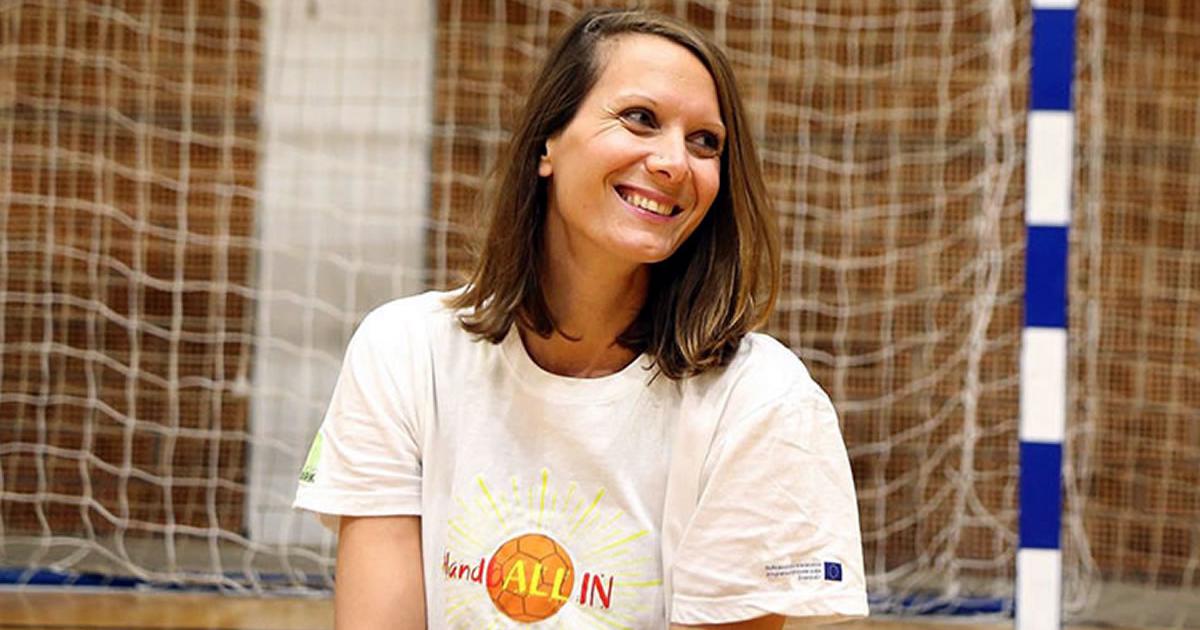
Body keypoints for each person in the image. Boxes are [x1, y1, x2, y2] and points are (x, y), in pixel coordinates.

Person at [294, 8, 867, 629]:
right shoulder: (404, 351)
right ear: (548, 141)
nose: (675, 161)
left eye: (705, 141)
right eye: (640, 118)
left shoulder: (761, 398)